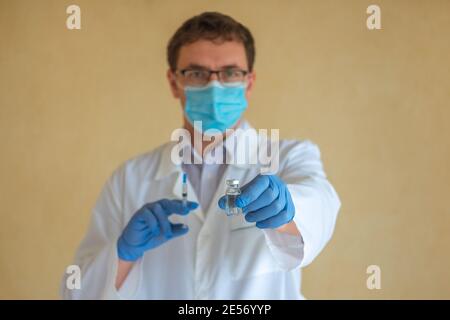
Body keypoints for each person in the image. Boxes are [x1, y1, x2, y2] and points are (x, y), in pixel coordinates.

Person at [61, 11, 341, 299]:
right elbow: (77, 293)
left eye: (231, 73)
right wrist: (122, 255)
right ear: (174, 82)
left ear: (249, 82)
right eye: (197, 73)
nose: (214, 86)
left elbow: (321, 203)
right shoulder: (129, 179)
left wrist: (287, 215)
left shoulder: (290, 157)